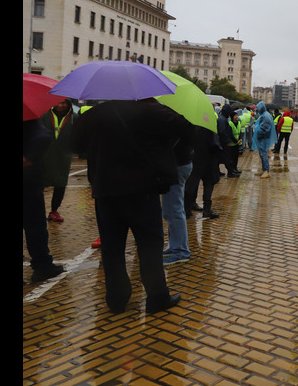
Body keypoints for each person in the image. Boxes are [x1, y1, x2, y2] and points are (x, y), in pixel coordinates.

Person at [73, 98, 188, 314]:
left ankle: (116, 299)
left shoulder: (96, 113)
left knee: (112, 246)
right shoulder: (150, 110)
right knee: (149, 245)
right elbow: (184, 127)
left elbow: (77, 145)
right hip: (142, 190)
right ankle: (157, 296)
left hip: (106, 189)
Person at [24, 118, 65, 283]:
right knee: (34, 225)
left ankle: (42, 265)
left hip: (29, 181)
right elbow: (43, 136)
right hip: (27, 182)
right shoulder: (30, 121)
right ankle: (42, 266)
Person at [161, 122, 194, 266]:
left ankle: (180, 251)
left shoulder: (179, 122)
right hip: (181, 164)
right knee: (171, 210)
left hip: (177, 166)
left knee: (174, 210)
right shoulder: (187, 120)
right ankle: (175, 246)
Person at [41, 98, 76, 222]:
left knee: (60, 184)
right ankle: (38, 211)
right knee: (40, 183)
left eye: (63, 103)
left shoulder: (74, 117)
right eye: (58, 102)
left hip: (63, 156)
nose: (60, 106)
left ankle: (54, 210)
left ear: (68, 104)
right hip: (44, 154)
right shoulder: (44, 115)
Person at [185, 117, 222, 220]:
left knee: (192, 184)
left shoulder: (190, 124)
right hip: (208, 160)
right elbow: (215, 144)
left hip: (194, 159)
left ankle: (187, 208)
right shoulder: (209, 126)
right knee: (208, 184)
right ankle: (207, 209)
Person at [252, 101, 275, 178]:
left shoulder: (265, 116)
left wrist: (259, 134)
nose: (257, 110)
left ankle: (266, 171)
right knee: (262, 154)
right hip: (262, 137)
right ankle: (263, 169)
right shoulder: (264, 115)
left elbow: (265, 128)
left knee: (263, 154)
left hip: (263, 137)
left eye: (258, 108)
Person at [218, 104, 241, 177]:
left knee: (223, 158)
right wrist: (227, 141)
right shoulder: (222, 120)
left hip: (223, 142)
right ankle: (230, 173)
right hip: (224, 143)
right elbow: (222, 132)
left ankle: (221, 172)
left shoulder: (223, 118)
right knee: (227, 158)